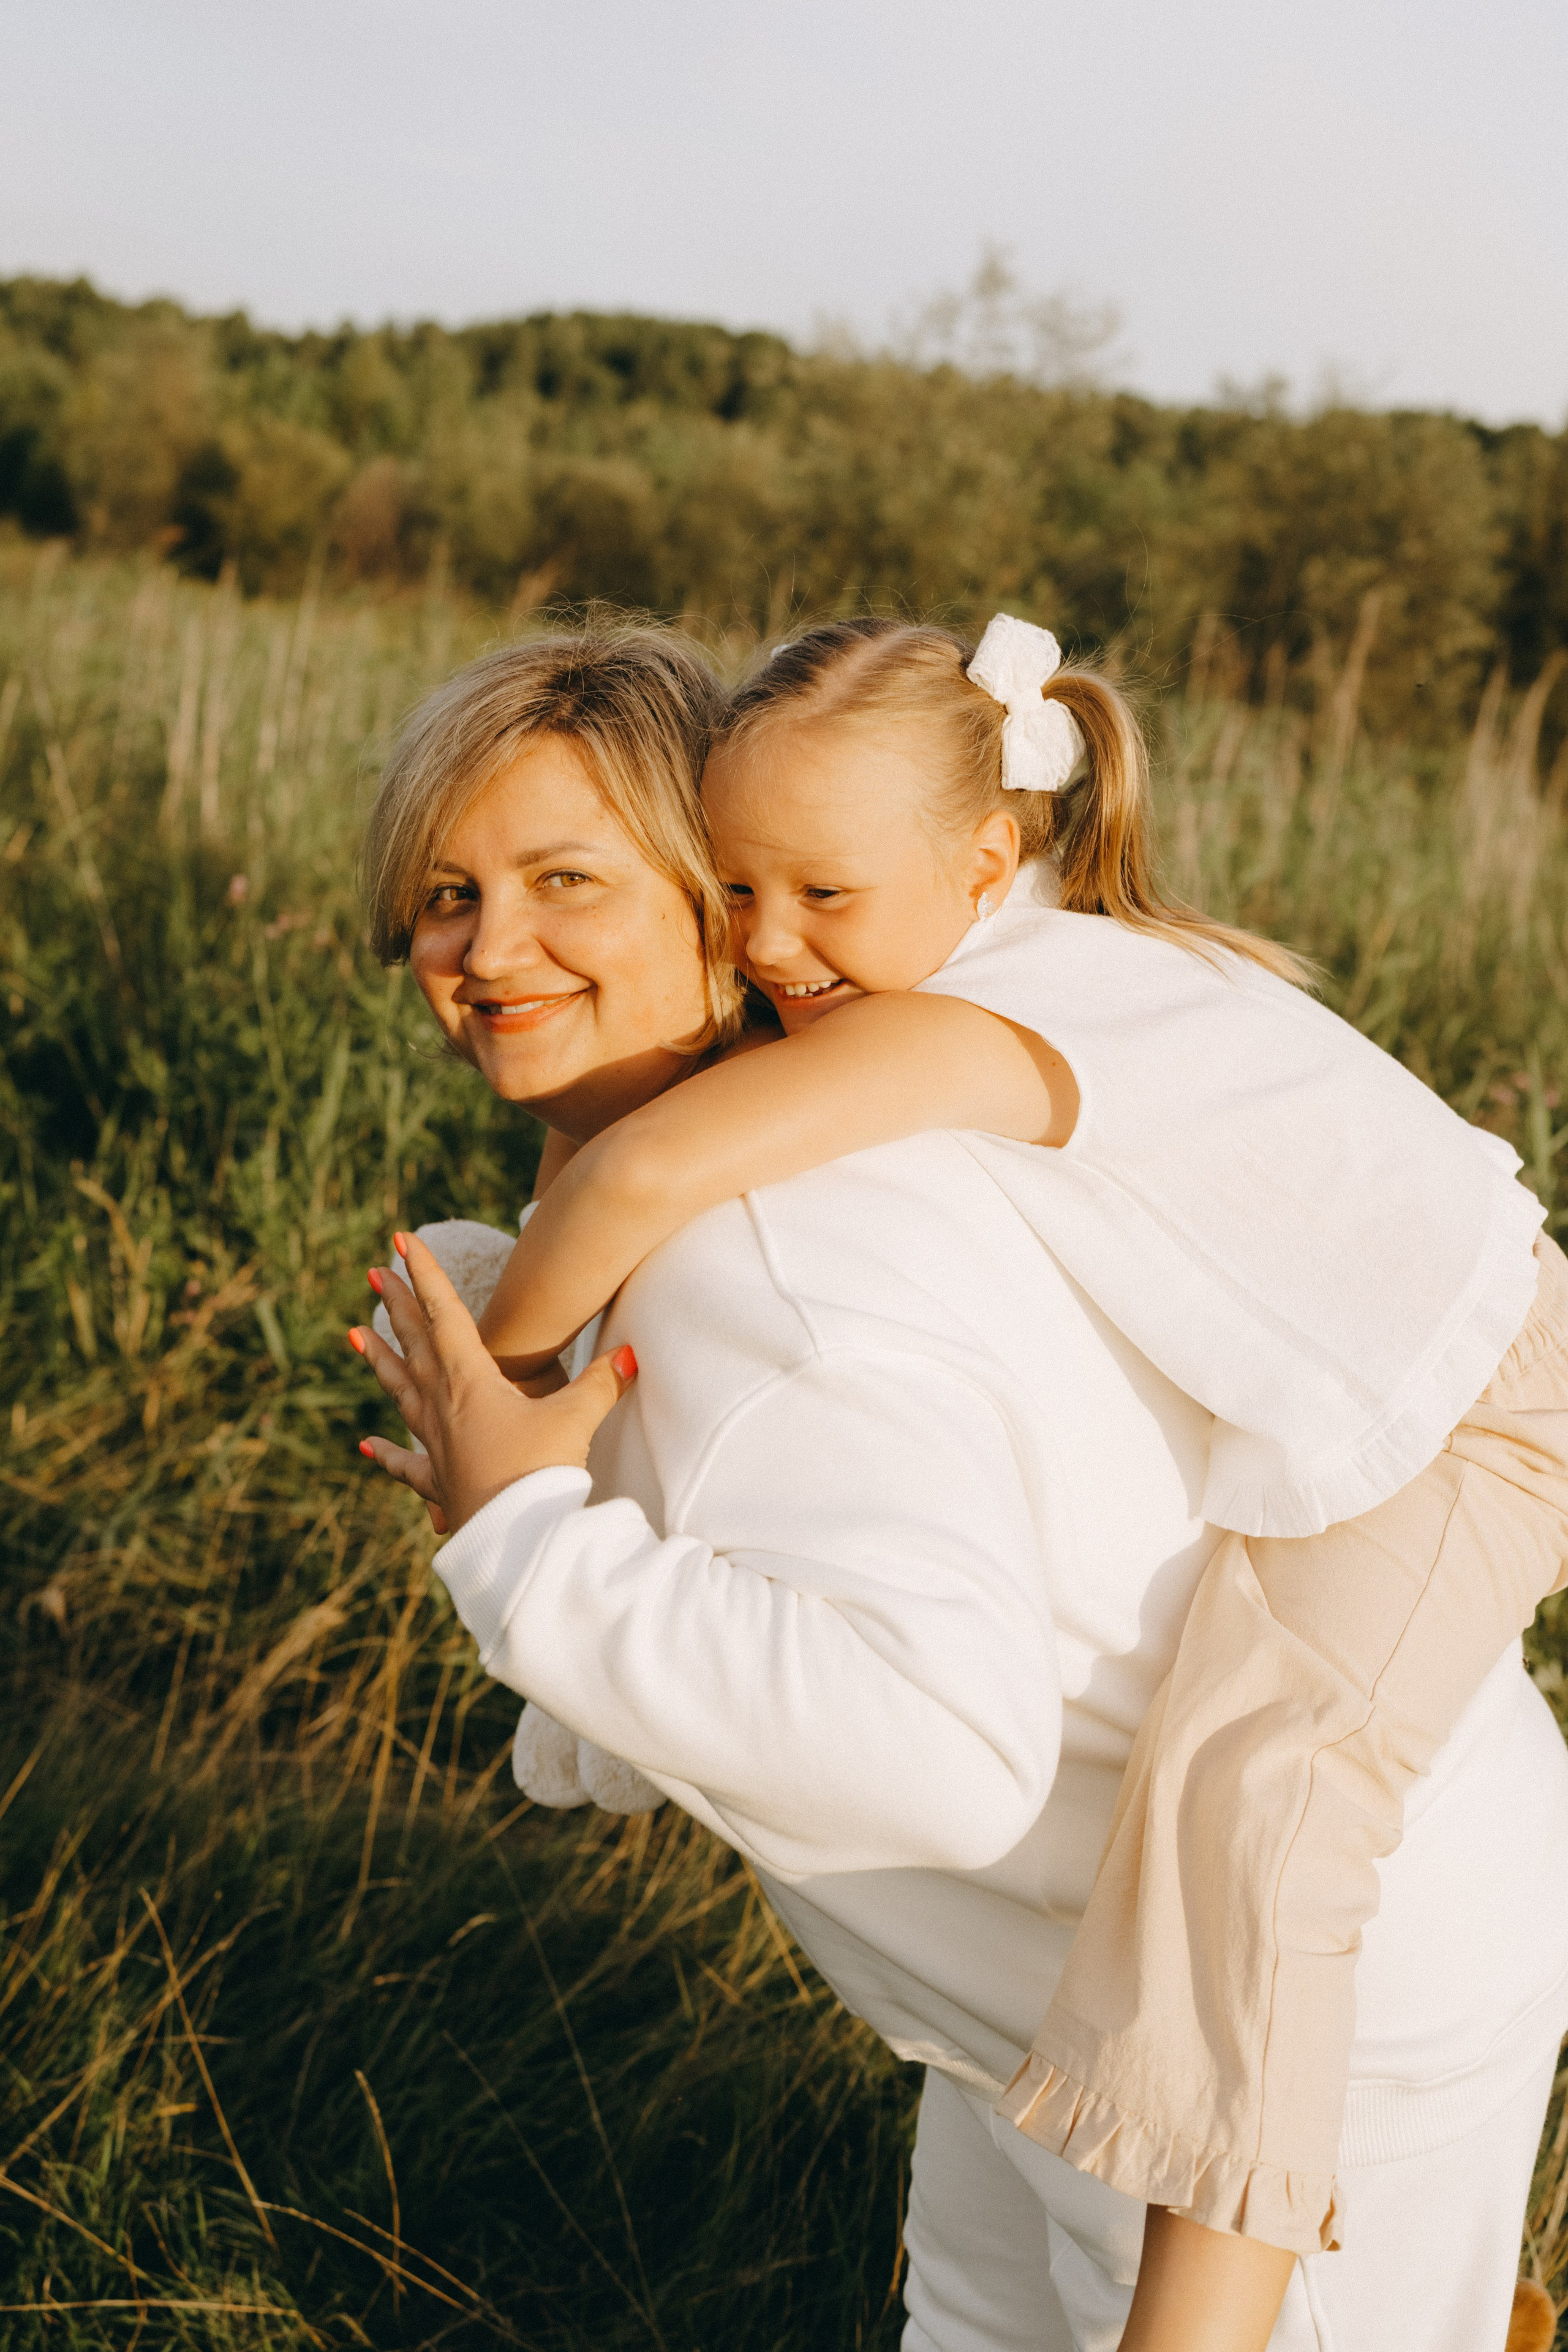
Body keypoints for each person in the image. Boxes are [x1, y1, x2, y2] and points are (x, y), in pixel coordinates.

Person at [353, 622, 1568, 2352]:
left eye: (567, 878)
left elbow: (936, 1739)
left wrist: (527, 1529)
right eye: (444, 893)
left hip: (1319, 2007)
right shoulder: (772, 1162)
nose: (487, 946)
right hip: (1056, 1988)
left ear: (709, 898)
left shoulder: (782, 1245)